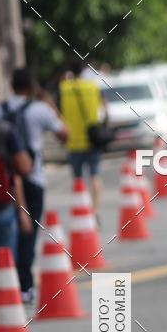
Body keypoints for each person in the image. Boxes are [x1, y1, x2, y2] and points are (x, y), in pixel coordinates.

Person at [0, 67, 67, 303]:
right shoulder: (40, 109)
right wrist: (51, 105)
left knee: (5, 236)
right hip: (31, 177)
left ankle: (6, 284)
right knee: (27, 234)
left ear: (12, 85)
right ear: (32, 86)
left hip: (4, 179)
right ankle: (23, 286)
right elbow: (64, 134)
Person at [59, 60, 105, 222]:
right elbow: (103, 107)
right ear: (84, 70)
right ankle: (95, 210)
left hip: (73, 142)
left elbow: (59, 111)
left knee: (77, 181)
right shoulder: (92, 86)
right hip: (92, 140)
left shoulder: (64, 89)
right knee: (95, 176)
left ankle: (82, 210)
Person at [0, 117, 32, 266]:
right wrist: (22, 211)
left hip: (3, 208)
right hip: (2, 207)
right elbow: (22, 169)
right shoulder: (4, 130)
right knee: (6, 264)